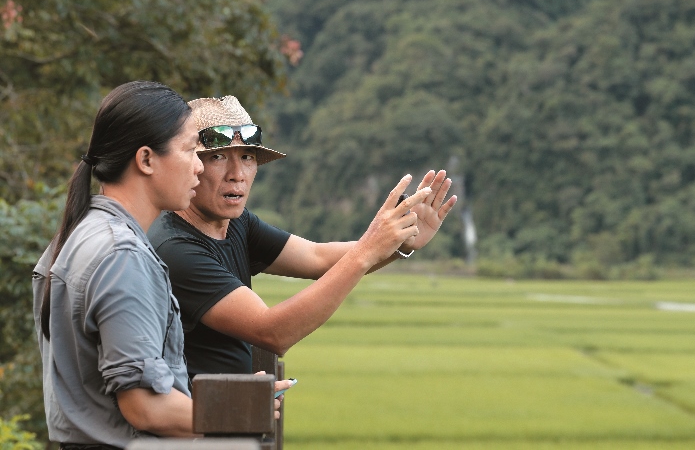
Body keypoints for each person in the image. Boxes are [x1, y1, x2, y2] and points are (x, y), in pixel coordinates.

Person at [32, 82, 292, 449]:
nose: (200, 167)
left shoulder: (77, 235)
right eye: (190, 151)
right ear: (146, 160)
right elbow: (146, 408)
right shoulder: (123, 257)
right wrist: (243, 409)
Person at [148, 96, 457, 377]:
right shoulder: (176, 249)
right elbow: (272, 332)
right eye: (218, 157)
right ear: (190, 164)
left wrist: (400, 242)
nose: (237, 173)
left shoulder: (236, 222)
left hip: (227, 418)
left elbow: (315, 258)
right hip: (190, 431)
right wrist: (369, 249)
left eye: (246, 157)